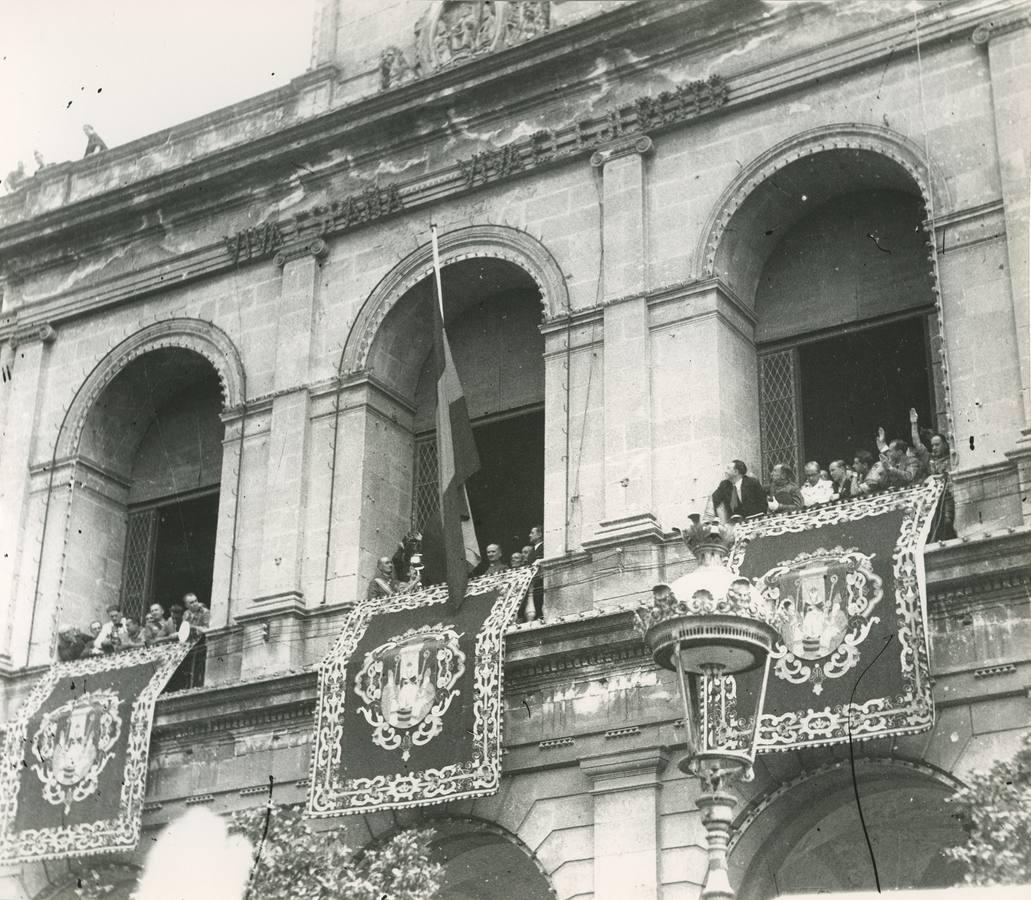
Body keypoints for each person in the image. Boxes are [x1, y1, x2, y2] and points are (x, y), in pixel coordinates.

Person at [910, 408, 955, 538]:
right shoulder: (929, 459)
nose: (934, 448)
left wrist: (933, 477)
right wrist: (914, 424)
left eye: (937, 445)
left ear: (945, 445)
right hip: (931, 500)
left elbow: (948, 475)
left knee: (947, 523)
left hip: (947, 498)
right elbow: (917, 444)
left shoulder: (952, 459)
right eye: (932, 445)